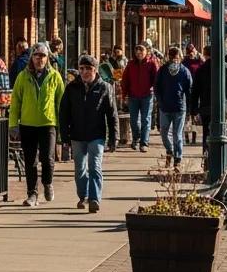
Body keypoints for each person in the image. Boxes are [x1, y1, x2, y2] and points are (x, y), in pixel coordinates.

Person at [59, 54, 118, 212]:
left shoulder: (104, 87)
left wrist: (114, 138)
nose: (85, 72)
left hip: (96, 135)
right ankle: (83, 196)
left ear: (95, 70)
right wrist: (64, 136)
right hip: (77, 135)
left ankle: (94, 199)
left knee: (94, 166)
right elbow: (64, 113)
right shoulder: (71, 88)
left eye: (88, 69)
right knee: (80, 169)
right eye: (82, 68)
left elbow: (112, 115)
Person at [9, 42, 65, 206]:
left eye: (43, 56)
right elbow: (15, 102)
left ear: (47, 58)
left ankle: (47, 183)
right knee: (30, 160)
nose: (39, 59)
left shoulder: (55, 76)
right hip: (28, 124)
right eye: (36, 55)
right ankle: (32, 194)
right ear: (32, 57)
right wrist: (14, 124)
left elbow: (61, 103)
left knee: (47, 159)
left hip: (48, 123)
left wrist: (62, 128)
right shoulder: (23, 76)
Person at [194, 45, 227, 156]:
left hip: (205, 107)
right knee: (221, 133)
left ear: (205, 55)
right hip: (221, 108)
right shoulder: (226, 67)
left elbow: (195, 91)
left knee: (207, 134)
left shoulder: (201, 69)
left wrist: (193, 110)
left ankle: (206, 159)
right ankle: (219, 157)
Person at [155, 46, 191, 170]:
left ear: (180, 58)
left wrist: (190, 107)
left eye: (176, 58)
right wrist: (160, 101)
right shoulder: (163, 70)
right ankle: (169, 150)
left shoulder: (184, 71)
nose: (173, 60)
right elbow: (157, 87)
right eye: (171, 58)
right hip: (165, 107)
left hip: (180, 108)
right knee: (164, 133)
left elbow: (189, 89)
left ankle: (178, 158)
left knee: (177, 134)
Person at [121, 43, 157, 151]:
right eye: (137, 51)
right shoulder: (131, 64)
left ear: (146, 52)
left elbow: (156, 79)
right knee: (134, 120)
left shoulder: (151, 64)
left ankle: (144, 143)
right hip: (133, 96)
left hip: (147, 95)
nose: (139, 53)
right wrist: (124, 94)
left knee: (145, 119)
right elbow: (125, 79)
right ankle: (136, 139)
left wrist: (154, 90)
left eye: (141, 51)